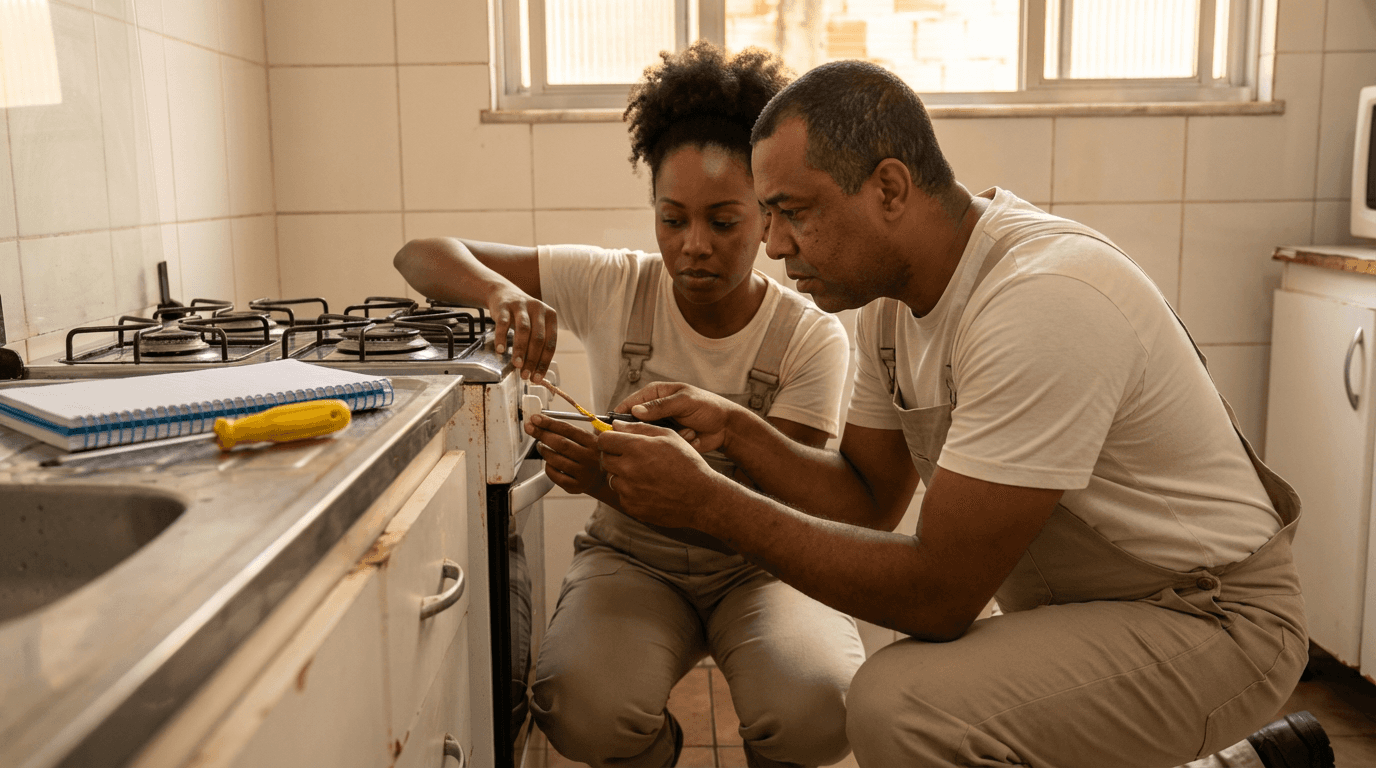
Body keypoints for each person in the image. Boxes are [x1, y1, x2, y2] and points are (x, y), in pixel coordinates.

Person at [596, 60, 1332, 768]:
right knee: (936, 699)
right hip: (1097, 609)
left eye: (793, 213)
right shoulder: (888, 306)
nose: (776, 244)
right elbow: (866, 499)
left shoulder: (1041, 300)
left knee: (903, 706)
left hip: (1214, 620)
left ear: (889, 188)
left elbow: (939, 596)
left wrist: (712, 503)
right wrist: (733, 427)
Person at [393, 42, 866, 768]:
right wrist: (501, 292)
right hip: (634, 560)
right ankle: (659, 752)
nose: (693, 247)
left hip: (763, 567)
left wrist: (608, 479)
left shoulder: (809, 337)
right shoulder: (615, 283)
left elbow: (786, 504)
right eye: (673, 219)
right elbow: (420, 255)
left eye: (723, 220)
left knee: (818, 709)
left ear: (766, 216)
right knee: (580, 707)